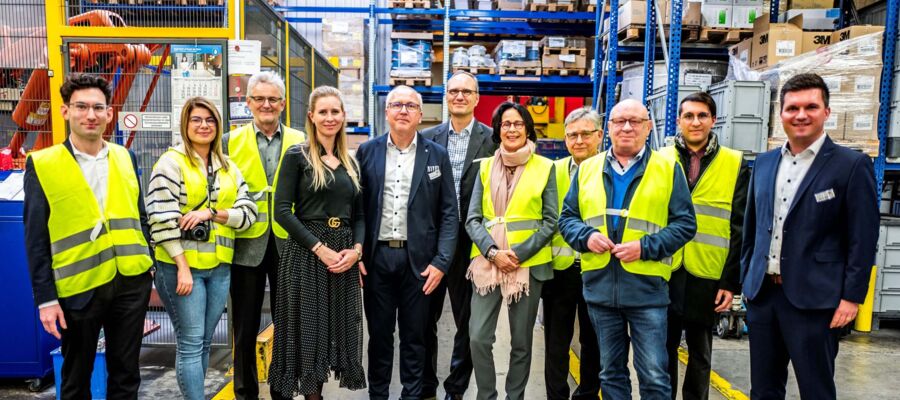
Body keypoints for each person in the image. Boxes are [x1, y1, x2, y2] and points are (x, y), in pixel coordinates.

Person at [741, 73, 878, 399]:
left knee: (816, 390)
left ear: (826, 112)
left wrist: (852, 297)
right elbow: (752, 228)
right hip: (763, 296)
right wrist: (747, 278)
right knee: (763, 390)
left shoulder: (851, 165)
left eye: (811, 107)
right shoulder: (764, 162)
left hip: (815, 301)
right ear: (781, 113)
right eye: (792, 108)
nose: (800, 115)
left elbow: (863, 238)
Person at [24, 74, 154, 399]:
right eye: (81, 107)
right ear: (66, 111)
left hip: (130, 283)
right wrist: (46, 300)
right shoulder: (43, 164)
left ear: (110, 113)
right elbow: (36, 238)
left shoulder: (125, 157)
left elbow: (139, 216)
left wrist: (148, 261)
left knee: (126, 375)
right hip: (79, 289)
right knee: (76, 378)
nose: (91, 115)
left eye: (98, 107)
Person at [558, 98, 696, 400]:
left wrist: (645, 247)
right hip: (601, 291)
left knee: (654, 374)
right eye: (620, 121)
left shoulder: (667, 169)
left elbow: (685, 224)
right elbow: (567, 218)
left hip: (647, 291)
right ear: (608, 128)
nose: (627, 127)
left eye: (635, 121)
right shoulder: (587, 169)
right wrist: (586, 237)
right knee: (610, 373)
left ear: (648, 127)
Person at [147, 97, 257, 400]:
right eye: (196, 119)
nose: (204, 125)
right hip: (182, 270)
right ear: (185, 124)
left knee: (205, 342)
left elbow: (248, 213)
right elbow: (160, 219)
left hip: (219, 267)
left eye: (209, 120)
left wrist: (214, 214)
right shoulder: (170, 164)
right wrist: (182, 267)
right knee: (192, 342)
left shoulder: (228, 167)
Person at [355, 85, 458, 400]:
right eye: (396, 104)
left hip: (421, 265)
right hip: (377, 260)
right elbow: (355, 208)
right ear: (387, 112)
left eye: (411, 106)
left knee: (416, 338)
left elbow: (449, 214)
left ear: (420, 115)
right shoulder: (367, 152)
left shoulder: (436, 155)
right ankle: (379, 395)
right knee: (380, 337)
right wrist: (358, 251)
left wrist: (441, 263)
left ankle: (411, 396)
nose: (403, 110)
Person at [268, 86, 367, 399]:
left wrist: (357, 251)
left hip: (343, 258)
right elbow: (281, 211)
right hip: (307, 256)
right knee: (306, 335)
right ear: (311, 116)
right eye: (323, 112)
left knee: (328, 336)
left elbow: (360, 216)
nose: (329, 118)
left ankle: (317, 395)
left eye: (335, 112)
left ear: (343, 117)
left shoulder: (350, 162)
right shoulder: (297, 156)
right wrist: (319, 248)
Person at [659, 92, 749, 400]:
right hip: (665, 269)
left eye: (702, 115)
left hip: (708, 269)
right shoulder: (659, 159)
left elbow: (739, 226)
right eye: (689, 116)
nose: (695, 122)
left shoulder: (734, 163)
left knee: (700, 351)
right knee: (663, 349)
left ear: (713, 119)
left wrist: (730, 282)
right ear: (679, 121)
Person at [222, 71, 305, 400]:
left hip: (289, 241)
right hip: (247, 243)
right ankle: (245, 393)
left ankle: (283, 391)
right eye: (259, 99)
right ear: (248, 102)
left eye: (273, 99)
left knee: (287, 324)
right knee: (244, 326)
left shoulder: (300, 140)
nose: (266, 105)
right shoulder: (230, 141)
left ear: (283, 104)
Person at [466, 102, 557, 400]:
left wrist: (517, 254)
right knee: (478, 336)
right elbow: (473, 219)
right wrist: (493, 252)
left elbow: (551, 220)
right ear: (498, 130)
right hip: (487, 262)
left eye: (518, 123)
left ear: (528, 128)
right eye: (506, 124)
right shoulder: (484, 167)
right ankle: (486, 395)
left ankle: (514, 396)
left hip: (527, 266)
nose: (512, 129)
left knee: (521, 342)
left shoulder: (545, 168)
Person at [420, 71, 497, 400]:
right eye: (453, 91)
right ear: (446, 97)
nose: (460, 96)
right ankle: (425, 387)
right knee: (423, 319)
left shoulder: (493, 140)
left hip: (470, 243)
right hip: (430, 242)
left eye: (467, 91)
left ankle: (456, 388)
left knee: (467, 322)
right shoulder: (426, 138)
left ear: (477, 98)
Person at [542, 107, 603, 400]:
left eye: (585, 134)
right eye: (572, 135)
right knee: (556, 340)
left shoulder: (611, 171)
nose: (579, 140)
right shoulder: (551, 172)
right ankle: (557, 395)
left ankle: (588, 393)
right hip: (560, 269)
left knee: (594, 340)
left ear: (599, 136)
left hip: (599, 268)